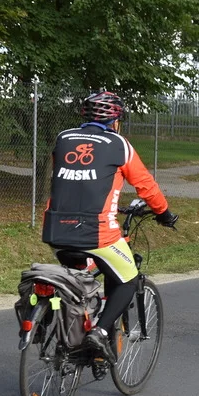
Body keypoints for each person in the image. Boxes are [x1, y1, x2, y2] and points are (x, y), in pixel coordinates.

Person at [42, 91, 178, 364]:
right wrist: (164, 214)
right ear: (116, 119)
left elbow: (70, 180)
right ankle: (101, 332)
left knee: (81, 280)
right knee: (128, 276)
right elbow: (146, 186)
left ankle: (74, 334)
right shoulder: (119, 145)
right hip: (97, 232)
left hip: (55, 229)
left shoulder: (63, 138)